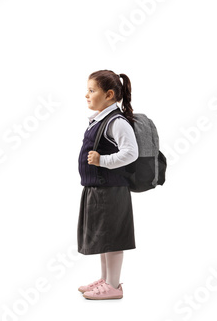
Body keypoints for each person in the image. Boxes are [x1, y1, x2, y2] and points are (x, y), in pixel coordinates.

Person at [76, 70, 138, 300]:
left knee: (112, 238)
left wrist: (102, 160)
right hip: (99, 190)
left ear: (109, 94)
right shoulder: (101, 119)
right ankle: (105, 280)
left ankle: (113, 286)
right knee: (104, 237)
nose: (87, 95)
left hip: (112, 190)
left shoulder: (117, 122)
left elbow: (131, 153)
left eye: (92, 90)